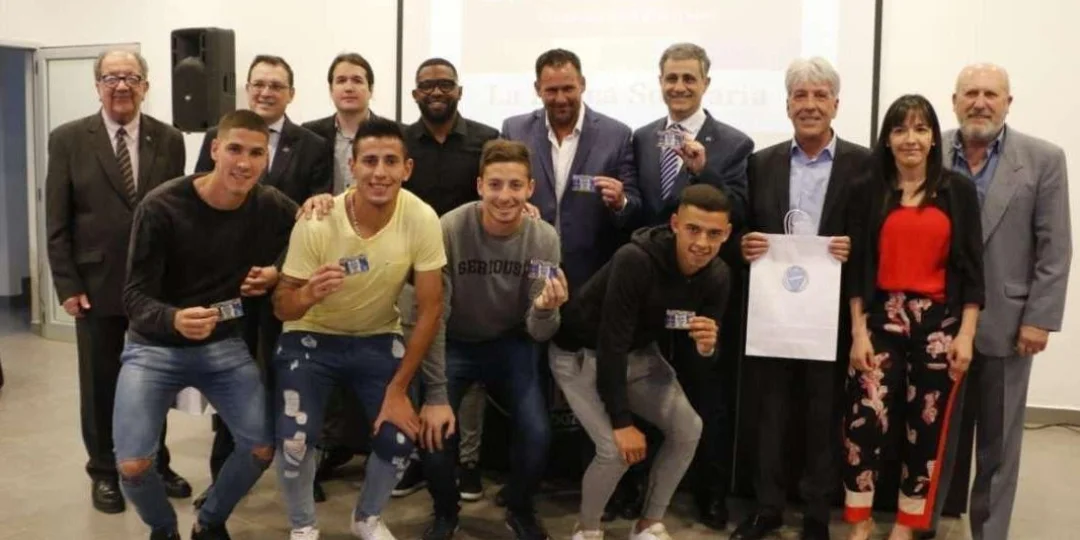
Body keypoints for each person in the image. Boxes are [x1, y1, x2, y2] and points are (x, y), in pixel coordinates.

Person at [114, 110, 297, 540]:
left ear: (266, 159)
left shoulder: (269, 204)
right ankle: (163, 529)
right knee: (133, 465)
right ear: (214, 149)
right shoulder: (161, 206)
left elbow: (309, 233)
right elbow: (133, 296)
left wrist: (277, 270)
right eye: (234, 149)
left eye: (256, 153)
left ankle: (209, 522)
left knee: (259, 449)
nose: (244, 163)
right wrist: (174, 318)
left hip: (223, 344)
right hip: (153, 346)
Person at [272, 117, 446, 540]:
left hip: (377, 338)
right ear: (351, 166)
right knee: (295, 441)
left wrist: (398, 389)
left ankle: (367, 517)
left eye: (390, 161)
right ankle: (303, 526)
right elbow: (281, 306)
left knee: (400, 439)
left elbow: (430, 309)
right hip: (309, 337)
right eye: (369, 161)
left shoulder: (422, 218)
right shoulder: (317, 219)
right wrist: (308, 293)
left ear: (407, 168)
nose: (379, 172)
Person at [44, 49, 190, 515]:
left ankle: (154, 463)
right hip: (94, 283)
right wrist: (67, 285)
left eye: (130, 77)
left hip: (155, 287)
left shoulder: (169, 139)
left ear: (146, 85)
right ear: (97, 86)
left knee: (156, 381)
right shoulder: (68, 139)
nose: (121, 86)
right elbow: (57, 221)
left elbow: (177, 214)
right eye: (111, 78)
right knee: (100, 383)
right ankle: (105, 471)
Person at [733, 57, 872, 540]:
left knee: (823, 414)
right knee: (769, 413)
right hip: (773, 312)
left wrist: (854, 248)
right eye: (800, 96)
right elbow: (742, 227)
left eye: (820, 96)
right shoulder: (761, 163)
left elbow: (874, 236)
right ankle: (767, 507)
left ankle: (816, 514)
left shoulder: (864, 164)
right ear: (787, 104)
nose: (809, 105)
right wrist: (744, 245)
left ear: (836, 104)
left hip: (832, 314)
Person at [551, 183, 732, 540]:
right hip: (580, 354)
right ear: (675, 224)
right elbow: (611, 343)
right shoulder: (635, 259)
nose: (702, 243)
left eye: (714, 234)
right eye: (693, 229)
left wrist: (707, 348)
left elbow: (699, 363)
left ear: (726, 234)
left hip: (640, 353)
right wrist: (622, 422)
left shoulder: (718, 275)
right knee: (613, 450)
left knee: (689, 428)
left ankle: (649, 524)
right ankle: (587, 530)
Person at [192, 54, 332, 506]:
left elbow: (313, 219)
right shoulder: (218, 136)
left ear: (291, 94)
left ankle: (301, 473)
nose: (266, 92)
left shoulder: (312, 145)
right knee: (226, 380)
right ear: (247, 89)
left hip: (285, 284)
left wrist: (278, 270)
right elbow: (203, 205)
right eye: (259, 84)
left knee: (290, 382)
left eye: (276, 85)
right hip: (226, 286)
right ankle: (222, 478)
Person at [843, 95, 983, 540]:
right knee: (866, 422)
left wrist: (966, 334)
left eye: (921, 129)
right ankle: (860, 521)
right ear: (887, 139)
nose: (911, 139)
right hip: (880, 320)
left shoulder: (957, 191)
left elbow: (972, 269)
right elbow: (857, 269)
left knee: (926, 429)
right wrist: (858, 332)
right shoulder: (867, 190)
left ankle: (907, 525)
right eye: (900, 129)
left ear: (933, 138)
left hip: (938, 326)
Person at [944, 64, 1072, 540]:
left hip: (1008, 323)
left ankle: (990, 532)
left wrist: (1040, 319)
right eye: (970, 93)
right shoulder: (928, 150)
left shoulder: (1043, 159)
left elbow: (1055, 248)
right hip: (937, 321)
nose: (980, 102)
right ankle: (924, 524)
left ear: (1008, 103)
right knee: (933, 438)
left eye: (991, 94)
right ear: (954, 101)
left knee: (997, 445)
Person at [631, 42, 754, 529]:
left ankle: (710, 494)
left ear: (706, 83)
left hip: (704, 288)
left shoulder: (735, 143)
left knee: (706, 392)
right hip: (650, 286)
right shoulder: (643, 137)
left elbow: (739, 210)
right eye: (671, 78)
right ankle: (638, 491)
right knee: (642, 387)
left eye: (689, 78)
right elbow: (644, 211)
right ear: (660, 81)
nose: (679, 87)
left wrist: (705, 170)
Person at [420, 139, 565, 540]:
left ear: (530, 188)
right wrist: (435, 393)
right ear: (479, 185)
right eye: (496, 184)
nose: (505, 196)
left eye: (515, 186)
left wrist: (545, 308)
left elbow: (540, 331)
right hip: (454, 341)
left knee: (537, 432)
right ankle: (445, 511)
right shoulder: (450, 228)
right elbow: (434, 313)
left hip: (510, 342)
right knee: (433, 431)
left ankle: (520, 507)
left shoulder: (544, 238)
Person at [404, 57, 501, 502]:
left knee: (469, 375)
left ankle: (467, 461)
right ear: (415, 95)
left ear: (459, 91)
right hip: (411, 273)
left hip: (470, 273)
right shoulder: (403, 142)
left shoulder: (486, 140)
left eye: (445, 84)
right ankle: (417, 457)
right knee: (413, 364)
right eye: (428, 86)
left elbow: (501, 189)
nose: (437, 92)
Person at [501, 48, 640, 293]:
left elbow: (634, 207)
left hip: (592, 275)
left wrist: (621, 202)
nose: (561, 98)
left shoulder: (617, 135)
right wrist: (514, 204)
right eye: (551, 90)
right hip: (527, 268)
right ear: (537, 89)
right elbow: (498, 187)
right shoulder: (515, 130)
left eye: (568, 88)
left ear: (582, 84)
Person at [303, 52, 387, 195]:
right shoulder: (310, 134)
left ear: (371, 89)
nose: (349, 88)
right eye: (341, 81)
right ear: (331, 90)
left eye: (357, 80)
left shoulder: (393, 134)